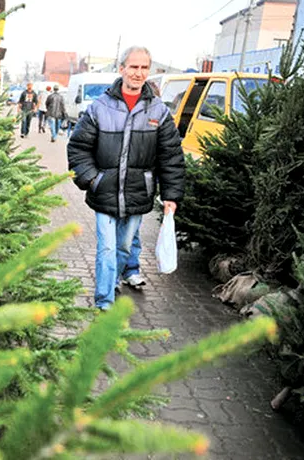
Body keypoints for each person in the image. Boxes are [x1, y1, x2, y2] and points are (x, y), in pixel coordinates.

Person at [67, 46, 184, 310]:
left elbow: (171, 156)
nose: (138, 73)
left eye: (144, 67)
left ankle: (117, 278)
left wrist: (171, 195)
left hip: (137, 192)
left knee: (122, 247)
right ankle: (104, 300)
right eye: (133, 67)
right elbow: (78, 148)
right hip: (104, 191)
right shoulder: (99, 107)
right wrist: (92, 179)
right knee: (107, 249)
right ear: (122, 69)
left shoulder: (159, 112)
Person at [121, 79, 163, 289]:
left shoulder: (159, 122)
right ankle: (113, 275)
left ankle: (131, 270)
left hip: (141, 189)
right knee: (121, 235)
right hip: (116, 189)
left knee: (133, 233)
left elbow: (166, 156)